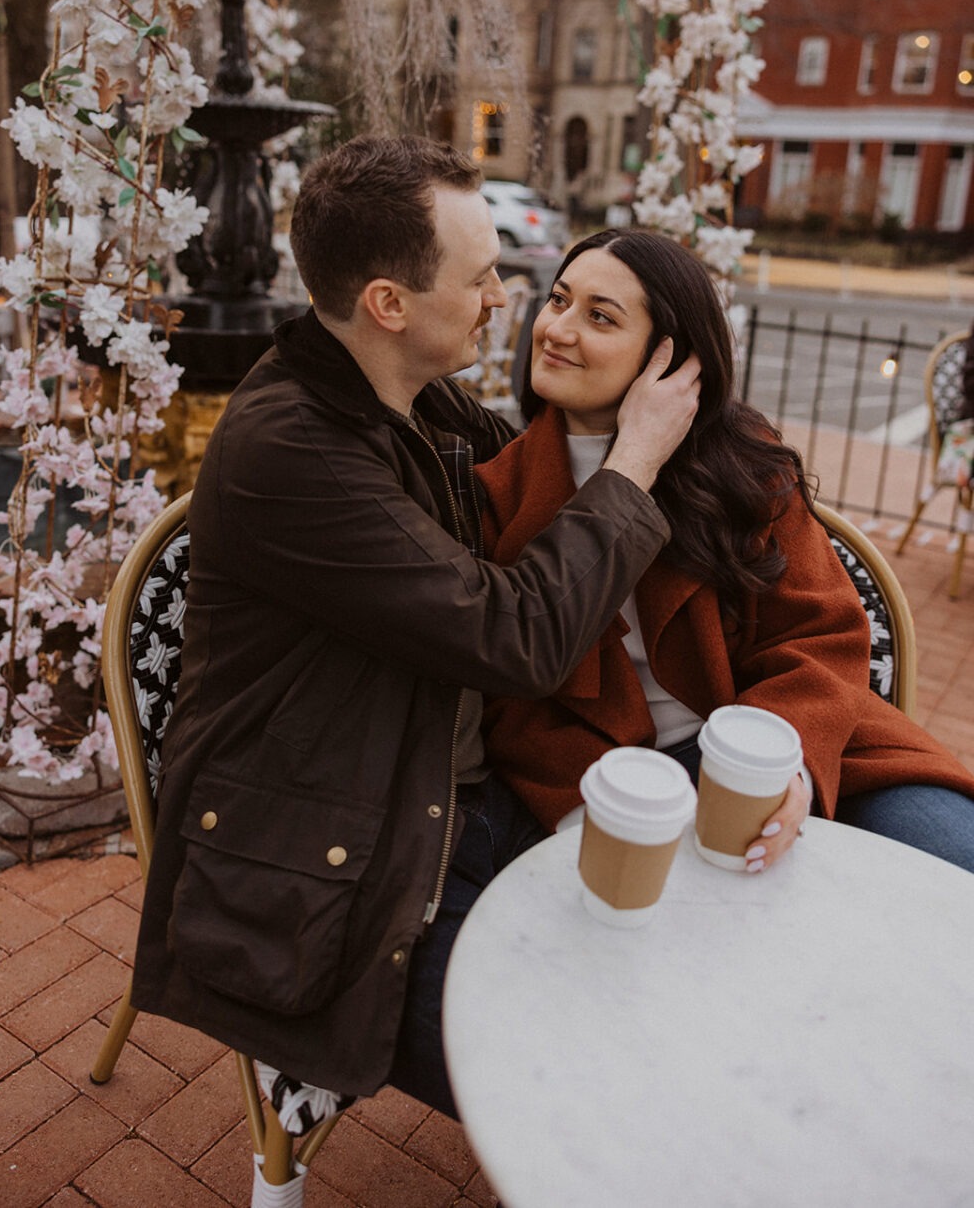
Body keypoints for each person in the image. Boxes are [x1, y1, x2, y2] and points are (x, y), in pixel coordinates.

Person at [131, 138, 700, 1123]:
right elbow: (516, 635)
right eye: (483, 279)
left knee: (675, 986)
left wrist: (632, 382)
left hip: (450, 796)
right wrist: (638, 456)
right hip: (333, 866)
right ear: (389, 304)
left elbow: (534, 462)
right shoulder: (289, 447)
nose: (503, 303)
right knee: (590, 1091)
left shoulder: (408, 395)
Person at [476, 228, 974, 875]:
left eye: (599, 316)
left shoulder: (742, 467)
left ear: (669, 356)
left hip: (778, 741)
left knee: (953, 864)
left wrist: (780, 767)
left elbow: (821, 636)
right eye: (560, 300)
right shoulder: (499, 490)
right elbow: (507, 701)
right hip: (607, 778)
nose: (557, 329)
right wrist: (597, 811)